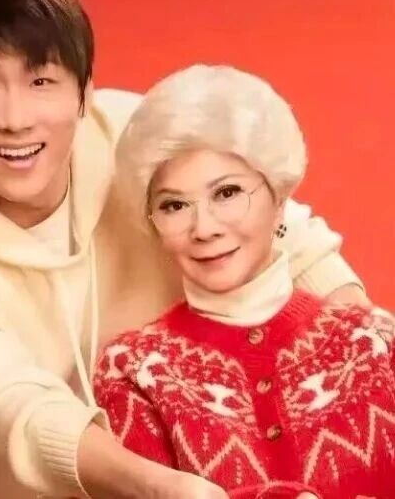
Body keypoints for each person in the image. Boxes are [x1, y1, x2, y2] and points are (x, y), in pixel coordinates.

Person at [0, 0, 366, 499]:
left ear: (84, 93)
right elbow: (17, 411)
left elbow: (286, 235)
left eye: (41, 81)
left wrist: (368, 356)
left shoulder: (132, 138)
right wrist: (158, 487)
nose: (15, 119)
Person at [93, 64, 394, 498]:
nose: (204, 228)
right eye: (175, 205)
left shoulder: (374, 344)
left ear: (279, 198)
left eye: (227, 193)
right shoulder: (134, 371)